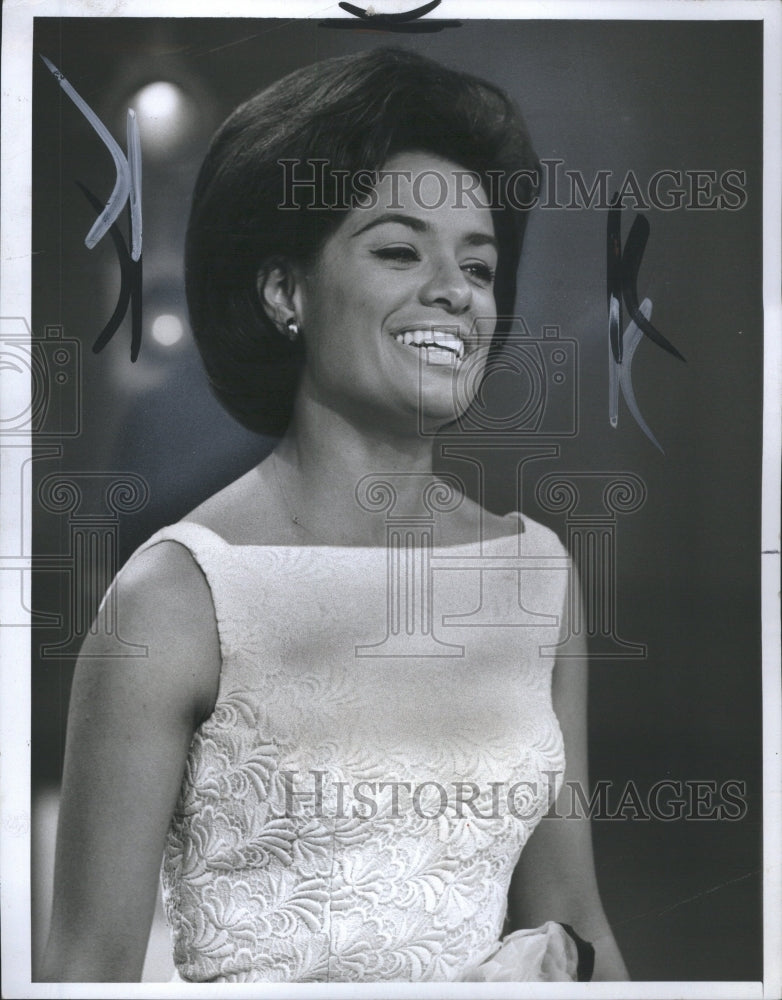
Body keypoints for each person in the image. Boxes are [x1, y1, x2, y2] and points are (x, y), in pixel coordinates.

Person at [40, 47, 629, 983]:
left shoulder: (537, 576)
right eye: (400, 250)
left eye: (478, 266)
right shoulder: (172, 597)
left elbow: (571, 918)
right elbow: (85, 971)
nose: (455, 291)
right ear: (285, 293)